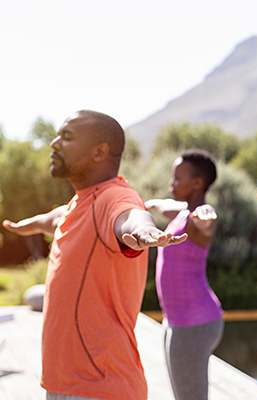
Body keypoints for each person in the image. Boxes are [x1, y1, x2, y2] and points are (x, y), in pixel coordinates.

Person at [2, 110, 187, 400]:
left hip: (101, 387)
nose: (54, 143)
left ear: (100, 152)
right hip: (63, 384)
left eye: (67, 137)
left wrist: (144, 232)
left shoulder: (115, 197)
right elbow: (55, 218)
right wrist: (27, 225)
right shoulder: (81, 202)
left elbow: (131, 216)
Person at [145, 149, 223, 400]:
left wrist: (205, 219)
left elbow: (207, 220)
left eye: (178, 178)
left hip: (193, 323)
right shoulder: (182, 213)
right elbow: (163, 205)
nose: (172, 183)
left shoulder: (197, 218)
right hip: (178, 320)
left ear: (197, 183)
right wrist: (147, 205)